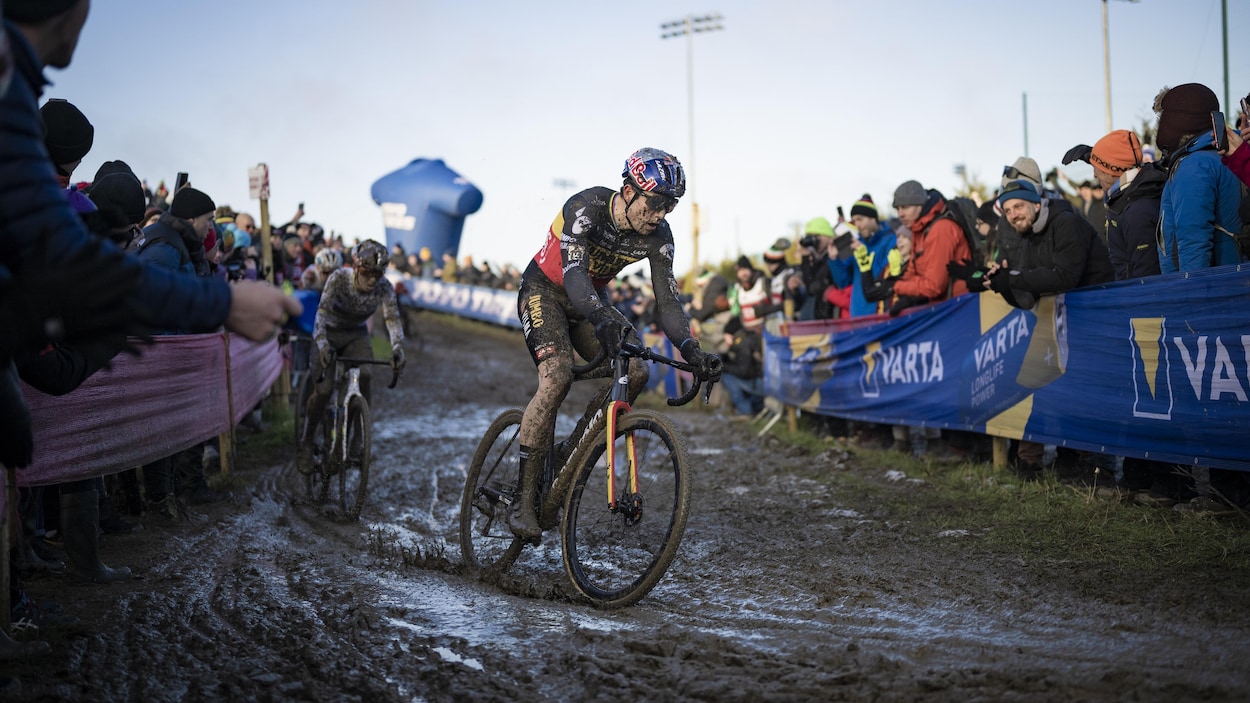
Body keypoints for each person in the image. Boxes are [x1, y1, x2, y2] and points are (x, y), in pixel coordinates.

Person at [509, 148, 722, 539]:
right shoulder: (586, 207)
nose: (659, 215)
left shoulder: (659, 237)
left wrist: (691, 350)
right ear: (628, 190)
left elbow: (668, 300)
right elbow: (574, 275)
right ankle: (522, 500)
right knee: (555, 377)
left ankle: (566, 457)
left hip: (589, 302)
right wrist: (603, 317)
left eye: (669, 207)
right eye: (654, 203)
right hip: (545, 292)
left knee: (636, 370)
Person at [984, 179, 1114, 478]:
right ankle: (1032, 463)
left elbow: (1064, 276)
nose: (1013, 214)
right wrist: (1002, 284)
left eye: (1018, 206)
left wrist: (1014, 277)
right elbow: (1029, 294)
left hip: (1094, 321)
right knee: (1042, 387)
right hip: (1059, 324)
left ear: (1036, 203)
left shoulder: (1065, 222)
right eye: (1007, 210)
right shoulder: (1028, 236)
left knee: (1082, 395)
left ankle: (1095, 466)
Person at [296, 240, 406, 475]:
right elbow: (321, 314)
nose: (372, 280)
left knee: (366, 374)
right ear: (356, 268)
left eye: (378, 274)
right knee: (323, 391)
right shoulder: (338, 278)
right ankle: (306, 442)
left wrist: (398, 347)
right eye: (367, 273)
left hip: (356, 335)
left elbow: (393, 319)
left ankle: (357, 435)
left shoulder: (384, 287)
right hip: (329, 332)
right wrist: (323, 344)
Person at [1153, 83, 1244, 273]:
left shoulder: (1194, 166)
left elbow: (1193, 242)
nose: (1158, 126)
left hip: (1217, 289)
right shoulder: (1230, 156)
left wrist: (1190, 296)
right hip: (1236, 280)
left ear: (1177, 121)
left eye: (1162, 118)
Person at [861, 180, 971, 316]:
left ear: (920, 205)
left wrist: (895, 287)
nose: (900, 214)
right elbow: (913, 272)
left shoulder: (941, 229)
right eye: (897, 209)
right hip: (943, 309)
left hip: (959, 308)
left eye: (905, 207)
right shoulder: (919, 230)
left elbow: (934, 286)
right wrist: (895, 285)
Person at [828, 194, 897, 317]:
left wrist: (864, 257)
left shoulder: (890, 239)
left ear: (873, 218)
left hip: (879, 312)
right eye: (854, 221)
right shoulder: (857, 243)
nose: (857, 225)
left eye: (860, 219)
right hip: (856, 314)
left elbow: (884, 276)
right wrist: (834, 259)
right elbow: (844, 282)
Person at [719, 316, 764, 417]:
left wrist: (723, 366)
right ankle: (753, 407)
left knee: (727, 377)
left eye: (726, 336)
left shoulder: (744, 345)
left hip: (761, 384)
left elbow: (744, 372)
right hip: (763, 382)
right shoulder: (747, 339)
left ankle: (744, 411)